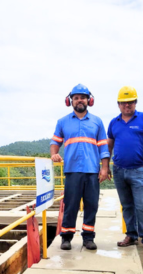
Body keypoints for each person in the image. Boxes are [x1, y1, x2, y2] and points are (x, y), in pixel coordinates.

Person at [50, 84, 110, 251]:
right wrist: (54, 154)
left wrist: (104, 168)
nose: (79, 100)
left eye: (82, 97)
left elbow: (103, 147)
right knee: (71, 205)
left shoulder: (97, 122)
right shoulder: (62, 122)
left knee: (92, 205)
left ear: (89, 100)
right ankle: (66, 238)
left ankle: (88, 238)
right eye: (76, 98)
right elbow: (55, 142)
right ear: (71, 101)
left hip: (92, 171)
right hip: (72, 170)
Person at [107, 86, 143, 253]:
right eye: (123, 103)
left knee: (142, 205)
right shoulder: (114, 123)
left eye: (130, 102)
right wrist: (105, 165)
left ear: (135, 103)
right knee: (127, 205)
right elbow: (109, 145)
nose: (127, 106)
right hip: (119, 171)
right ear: (118, 104)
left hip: (138, 170)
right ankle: (131, 235)